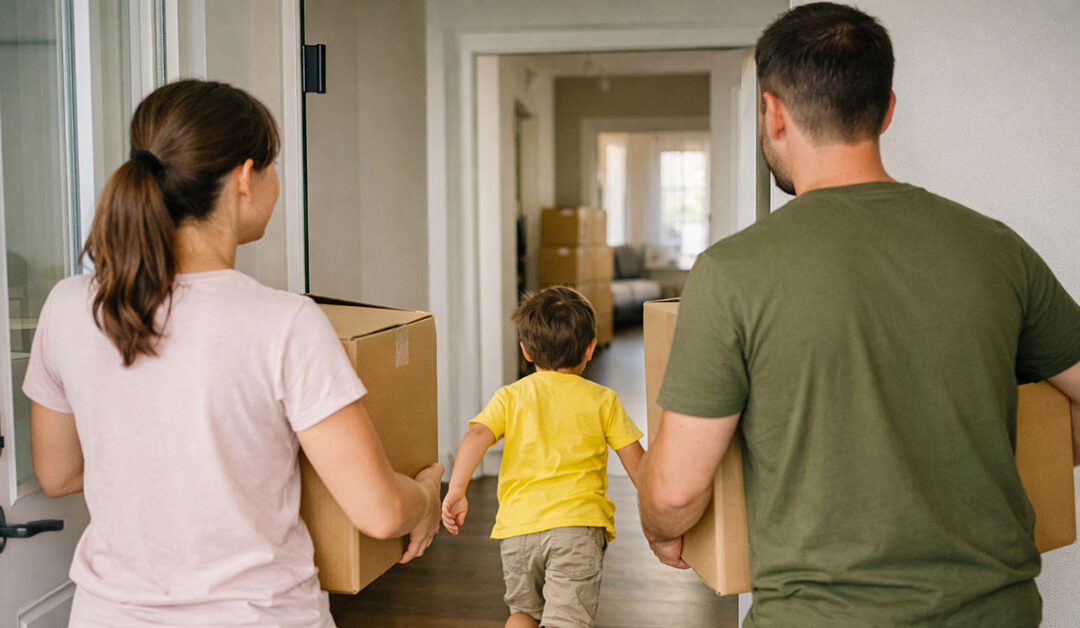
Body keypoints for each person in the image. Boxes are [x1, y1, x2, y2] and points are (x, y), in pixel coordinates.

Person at [637, 3, 1080, 627]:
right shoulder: (996, 248)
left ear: (772, 112)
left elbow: (675, 490)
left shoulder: (733, 271)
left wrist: (660, 531)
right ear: (887, 110)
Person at [23, 79, 443, 627]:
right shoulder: (284, 322)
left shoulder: (69, 305)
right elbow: (381, 513)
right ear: (246, 177)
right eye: (272, 167)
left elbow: (57, 474)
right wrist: (426, 498)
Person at [441, 286, 645, 628]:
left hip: (518, 530)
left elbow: (476, 436)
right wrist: (664, 516)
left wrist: (457, 488)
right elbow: (636, 461)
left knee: (523, 614)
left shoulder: (510, 396)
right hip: (576, 530)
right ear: (590, 347)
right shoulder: (603, 400)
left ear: (525, 351)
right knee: (566, 620)